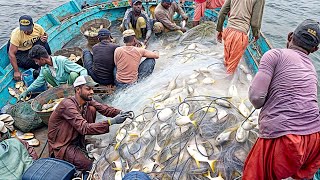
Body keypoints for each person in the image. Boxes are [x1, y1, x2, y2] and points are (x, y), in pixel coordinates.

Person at [243, 19, 320, 179]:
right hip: (315, 140)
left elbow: (256, 98)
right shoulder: (312, 68)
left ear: (290, 36)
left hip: (284, 138)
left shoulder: (274, 54)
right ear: (314, 49)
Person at [48, 75, 132, 171]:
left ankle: (81, 142)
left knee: (91, 109)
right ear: (78, 90)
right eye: (88, 89)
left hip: (76, 137)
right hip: (63, 144)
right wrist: (112, 121)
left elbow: (104, 109)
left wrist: (120, 113)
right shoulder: (67, 105)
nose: (92, 92)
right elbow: (84, 128)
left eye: (92, 89)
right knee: (89, 166)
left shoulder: (86, 100)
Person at [19, 45, 88, 100]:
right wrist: (27, 91)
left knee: (74, 74)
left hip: (71, 85)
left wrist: (83, 85)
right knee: (45, 72)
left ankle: (73, 94)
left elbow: (82, 70)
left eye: (36, 61)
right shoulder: (44, 67)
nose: (36, 63)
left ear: (42, 59)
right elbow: (39, 81)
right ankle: (61, 93)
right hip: (60, 87)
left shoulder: (62, 61)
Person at [216, 0, 265, 74]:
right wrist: (256, 35)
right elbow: (255, 23)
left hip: (228, 31)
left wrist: (219, 29)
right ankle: (226, 82)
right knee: (231, 68)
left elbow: (222, 13)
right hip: (240, 35)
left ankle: (222, 79)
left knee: (226, 62)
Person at [8, 15, 52, 81]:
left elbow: (45, 36)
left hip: (31, 45)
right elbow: (11, 53)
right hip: (20, 51)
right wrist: (16, 71)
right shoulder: (16, 34)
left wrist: (45, 39)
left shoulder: (38, 28)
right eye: (24, 30)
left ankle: (48, 60)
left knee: (45, 46)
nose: (26, 32)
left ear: (33, 26)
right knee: (31, 63)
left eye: (28, 29)